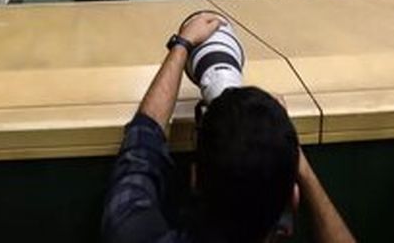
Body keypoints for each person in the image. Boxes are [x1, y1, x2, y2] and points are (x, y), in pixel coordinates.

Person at [103, 12, 355, 243]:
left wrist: (182, 45)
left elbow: (143, 142)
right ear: (294, 198)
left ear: (195, 180)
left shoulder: (128, 233)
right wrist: (294, 157)